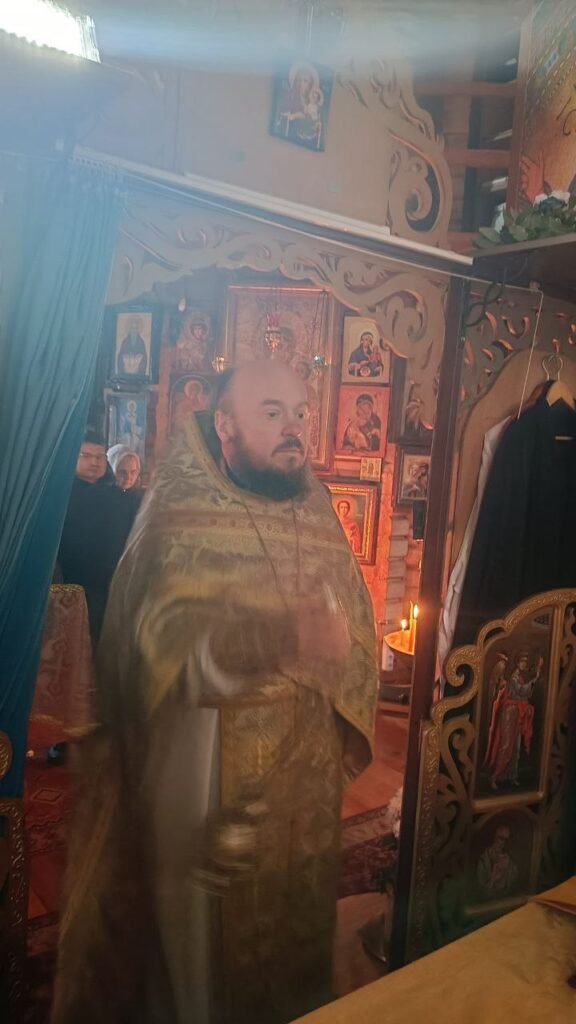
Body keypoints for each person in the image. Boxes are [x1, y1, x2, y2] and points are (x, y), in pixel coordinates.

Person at [52, 360, 378, 1024]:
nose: (294, 428)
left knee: (293, 937)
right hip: (203, 771)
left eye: (301, 412)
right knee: (202, 966)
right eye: (271, 412)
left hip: (302, 779)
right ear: (224, 424)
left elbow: (353, 624)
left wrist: (341, 653)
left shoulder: (316, 507)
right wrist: (274, 639)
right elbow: (153, 648)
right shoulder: (178, 509)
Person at [57, 431, 141, 643]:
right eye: (86, 456)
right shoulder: (60, 496)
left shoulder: (119, 496)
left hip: (115, 583)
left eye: (99, 457)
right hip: (75, 584)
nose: (94, 462)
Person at [484, 651, 543, 790]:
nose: (524, 664)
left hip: (517, 713)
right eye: (522, 661)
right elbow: (521, 691)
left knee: (516, 746)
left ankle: (511, 776)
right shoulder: (513, 677)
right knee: (506, 745)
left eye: (525, 662)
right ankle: (494, 777)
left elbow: (525, 695)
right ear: (517, 663)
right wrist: (535, 679)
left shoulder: (520, 677)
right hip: (509, 713)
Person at [476, 825, 518, 898]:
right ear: (494, 837)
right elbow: (480, 892)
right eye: (501, 838)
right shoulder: (482, 860)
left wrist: (507, 870)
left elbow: (513, 887)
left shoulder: (510, 861)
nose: (504, 843)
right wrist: (493, 877)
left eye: (507, 840)